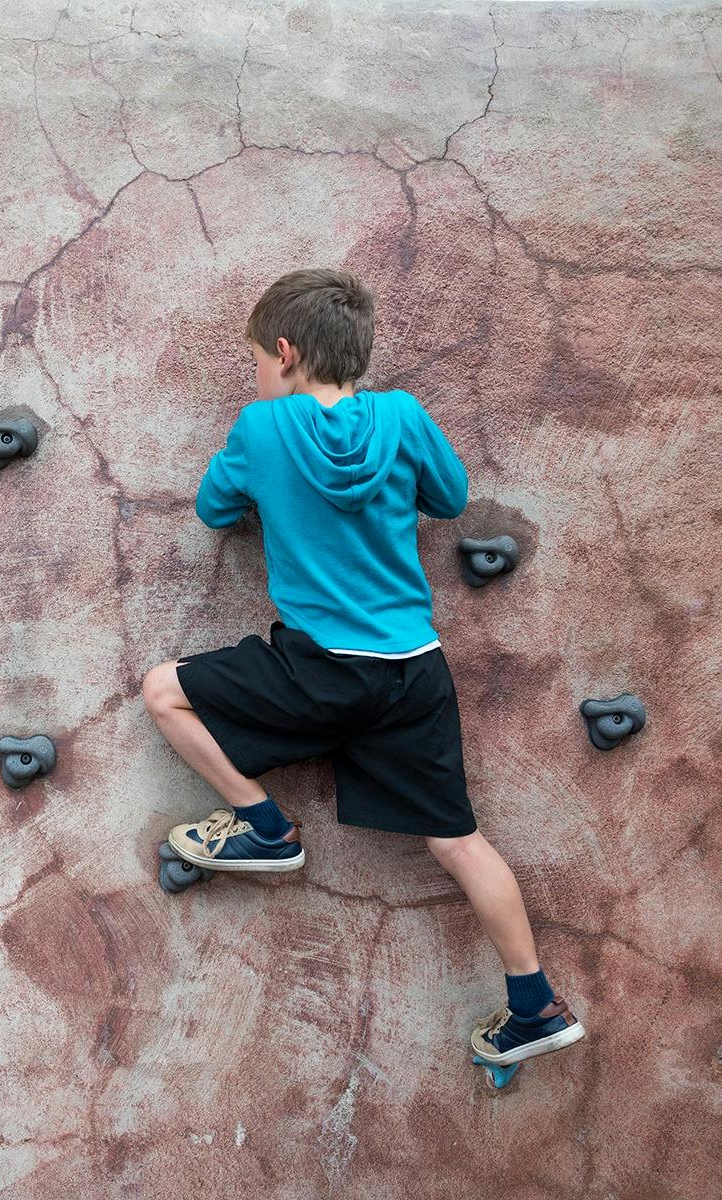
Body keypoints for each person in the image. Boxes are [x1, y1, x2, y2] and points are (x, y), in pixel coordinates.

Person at [140, 267, 586, 1071]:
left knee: (163, 691)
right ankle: (534, 1004)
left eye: (254, 359)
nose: (254, 375)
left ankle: (263, 827)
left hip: (319, 670)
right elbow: (449, 499)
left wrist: (269, 483)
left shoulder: (261, 428)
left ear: (284, 351)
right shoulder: (404, 416)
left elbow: (212, 510)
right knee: (459, 842)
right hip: (413, 673)